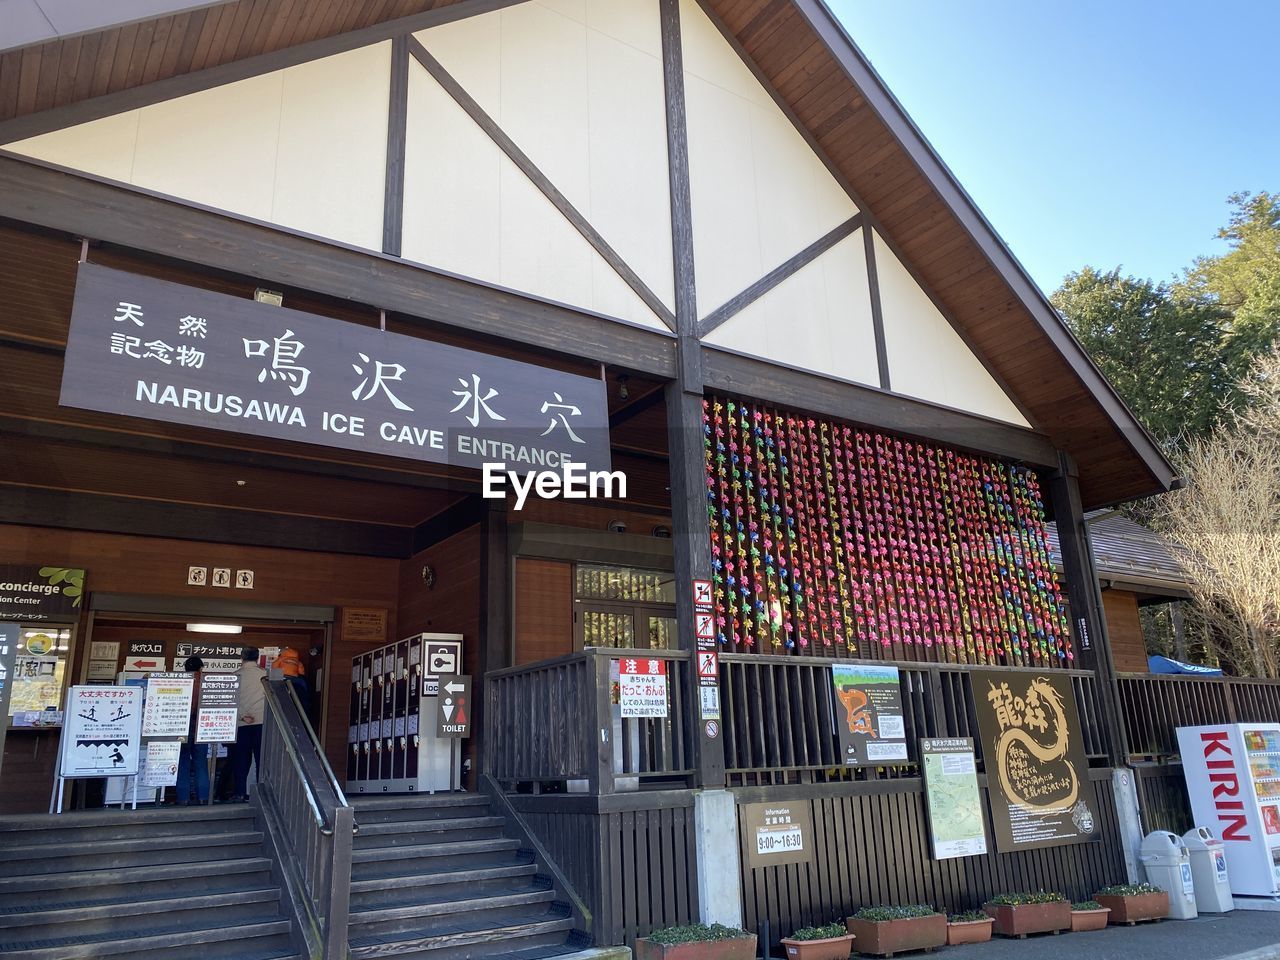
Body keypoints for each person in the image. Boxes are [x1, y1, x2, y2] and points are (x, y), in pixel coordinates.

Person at [230, 647, 266, 802]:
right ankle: (261, 794)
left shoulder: (235, 676)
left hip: (241, 724)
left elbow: (231, 701)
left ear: (242, 658)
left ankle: (239, 792)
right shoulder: (265, 676)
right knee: (260, 759)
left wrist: (243, 716)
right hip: (261, 723)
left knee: (241, 760)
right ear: (257, 659)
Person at [175, 655, 208, 805]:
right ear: (201, 668)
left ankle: (183, 798)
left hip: (181, 727)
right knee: (201, 762)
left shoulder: (179, 681)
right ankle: (203, 797)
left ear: (185, 668)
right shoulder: (206, 682)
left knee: (182, 761)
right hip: (201, 727)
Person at [274, 646, 309, 711]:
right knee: (303, 684)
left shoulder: (281, 658)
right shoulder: (297, 661)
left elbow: (275, 666)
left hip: (283, 676)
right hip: (294, 678)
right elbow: (301, 671)